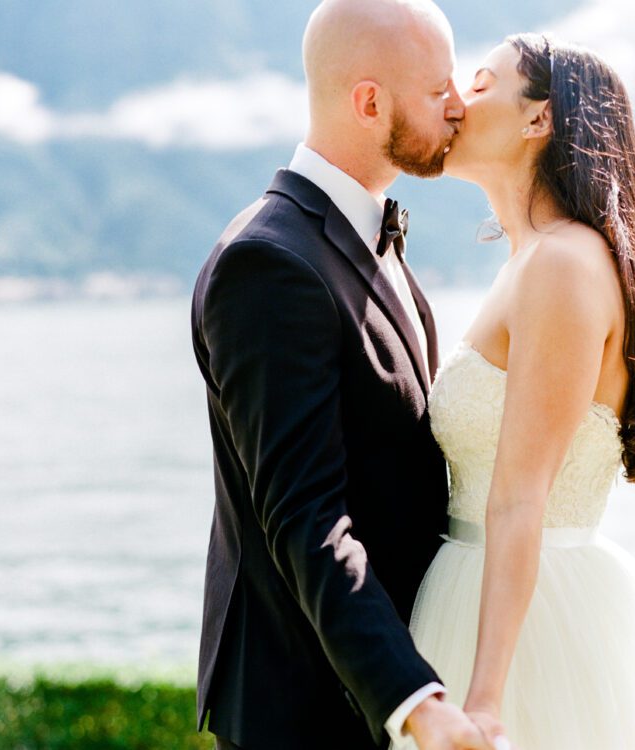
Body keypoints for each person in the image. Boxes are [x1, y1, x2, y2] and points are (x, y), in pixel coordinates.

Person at [392, 34, 635, 749]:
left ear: (538, 120)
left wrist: (488, 698)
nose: (456, 102)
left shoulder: (561, 264)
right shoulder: (535, 259)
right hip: (480, 592)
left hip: (526, 626)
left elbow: (520, 494)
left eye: (480, 83)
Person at [189, 1, 500, 748]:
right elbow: (306, 518)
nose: (459, 106)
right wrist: (416, 703)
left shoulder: (365, 233)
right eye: (437, 90)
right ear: (369, 102)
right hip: (306, 710)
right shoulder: (269, 265)